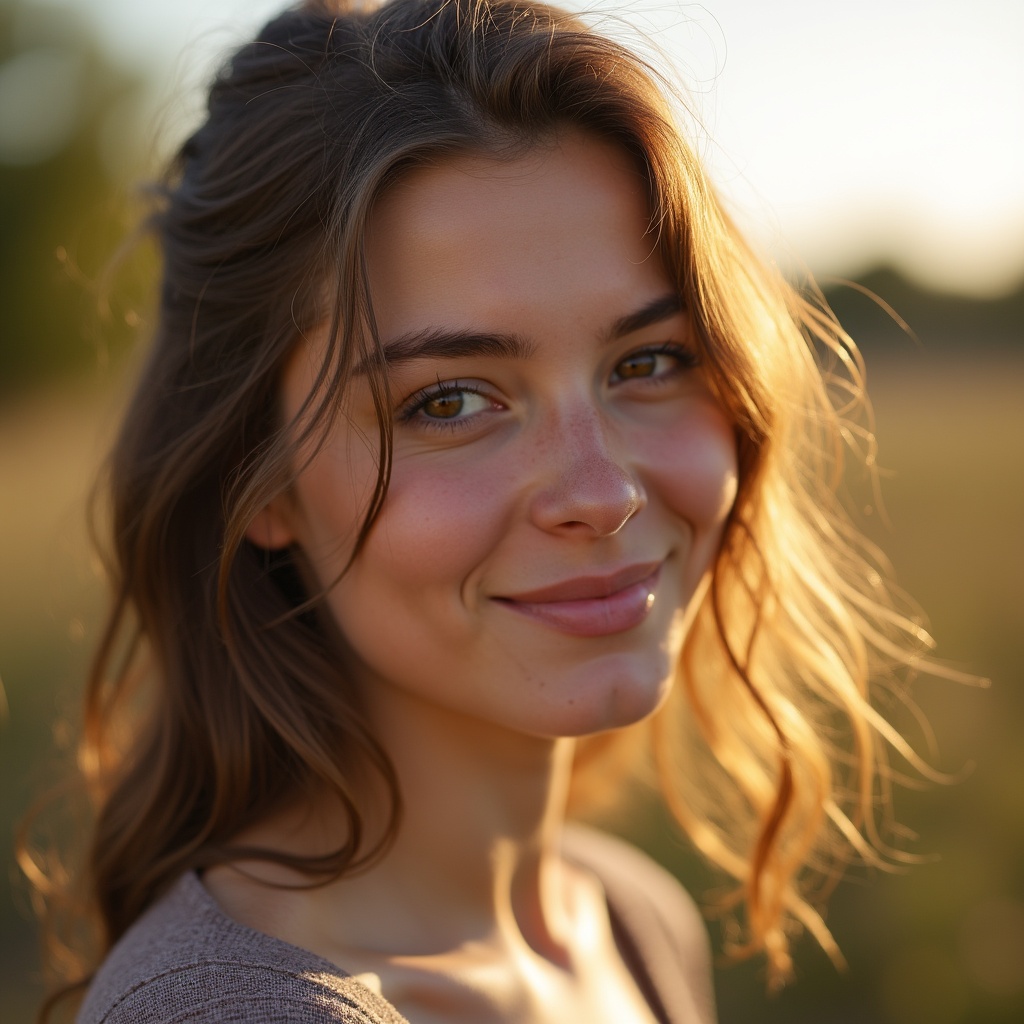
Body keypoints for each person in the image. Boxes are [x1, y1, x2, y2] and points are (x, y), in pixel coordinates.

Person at [28, 0, 943, 1021]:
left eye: (649, 361)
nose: (603, 493)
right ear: (260, 480)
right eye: (450, 401)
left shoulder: (627, 923)